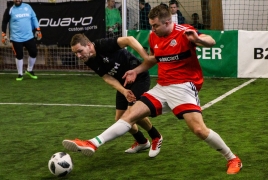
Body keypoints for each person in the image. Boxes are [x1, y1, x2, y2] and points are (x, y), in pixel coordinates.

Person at [62, 5, 242, 174]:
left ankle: (233, 158)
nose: (152, 29)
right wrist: (135, 70)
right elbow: (153, 60)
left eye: (155, 25)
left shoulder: (183, 32)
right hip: (162, 87)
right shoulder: (154, 37)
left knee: (199, 130)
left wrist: (199, 40)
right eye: (151, 25)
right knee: (129, 115)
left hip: (184, 86)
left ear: (167, 22)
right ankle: (92, 143)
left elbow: (211, 41)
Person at [64, 34, 162, 156]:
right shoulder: (88, 59)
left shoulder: (103, 44)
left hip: (139, 78)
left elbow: (129, 39)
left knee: (132, 114)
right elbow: (107, 77)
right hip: (123, 84)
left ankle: (156, 136)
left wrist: (146, 58)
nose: (78, 56)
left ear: (89, 45)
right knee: (120, 118)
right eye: (75, 53)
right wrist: (123, 91)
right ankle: (142, 142)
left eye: (80, 51)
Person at [1, 0, 42, 81]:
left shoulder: (28, 7)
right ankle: (20, 74)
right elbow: (4, 22)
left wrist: (38, 29)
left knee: (34, 52)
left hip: (29, 36)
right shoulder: (10, 9)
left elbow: (34, 18)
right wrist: (4, 34)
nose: (17, 0)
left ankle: (29, 70)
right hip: (16, 38)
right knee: (19, 55)